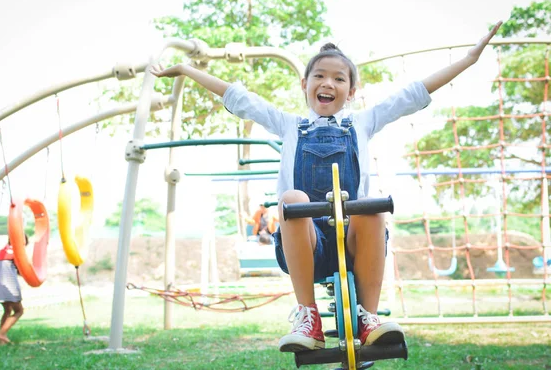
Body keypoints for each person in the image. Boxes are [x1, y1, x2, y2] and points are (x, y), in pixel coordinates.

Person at [149, 21, 502, 352]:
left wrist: (469, 60)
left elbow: (414, 93)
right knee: (292, 199)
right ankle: (308, 317)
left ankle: (369, 316)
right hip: (306, 247)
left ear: (351, 91)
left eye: (338, 78)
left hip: (355, 245)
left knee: (372, 205)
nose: (328, 83)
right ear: (304, 85)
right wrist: (185, 70)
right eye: (319, 75)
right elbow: (238, 97)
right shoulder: (288, 126)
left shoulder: (364, 122)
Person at [0, 234, 28, 345]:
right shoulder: (17, 252)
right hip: (8, 284)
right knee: (19, 311)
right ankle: (1, 333)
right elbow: (22, 270)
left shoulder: (1, 252)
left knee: (7, 310)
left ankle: (1, 342)